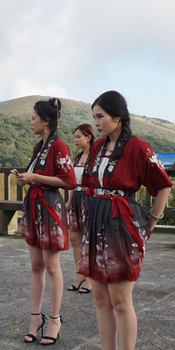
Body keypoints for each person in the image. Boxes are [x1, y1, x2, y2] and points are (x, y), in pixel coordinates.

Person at [81, 91, 172, 350]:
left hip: (122, 224)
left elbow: (162, 186)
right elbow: (89, 185)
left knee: (121, 300)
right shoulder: (96, 146)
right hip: (96, 221)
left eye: (100, 117)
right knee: (100, 298)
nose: (97, 123)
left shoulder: (138, 147)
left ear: (117, 116)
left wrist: (151, 223)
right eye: (94, 117)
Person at [16, 99, 76, 345]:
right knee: (36, 265)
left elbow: (69, 180)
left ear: (46, 121)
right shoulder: (38, 146)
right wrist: (26, 179)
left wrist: (35, 177)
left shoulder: (59, 145)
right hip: (34, 205)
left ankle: (54, 319)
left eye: (33, 118)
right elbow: (39, 177)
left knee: (52, 266)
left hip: (50, 206)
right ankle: (34, 318)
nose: (31, 122)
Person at [65, 123, 95, 294]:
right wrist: (68, 201)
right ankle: (79, 274)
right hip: (76, 197)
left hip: (89, 199)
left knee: (88, 240)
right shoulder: (77, 157)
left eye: (78, 137)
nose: (75, 140)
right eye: (75, 137)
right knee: (75, 239)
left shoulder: (95, 158)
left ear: (88, 137)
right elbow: (71, 182)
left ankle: (90, 277)